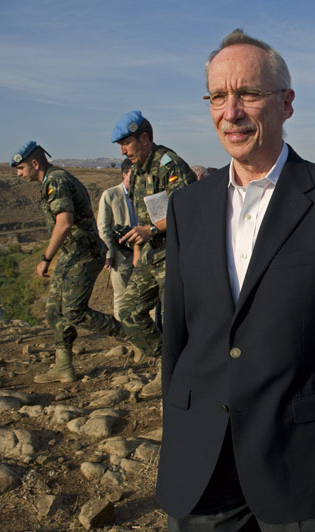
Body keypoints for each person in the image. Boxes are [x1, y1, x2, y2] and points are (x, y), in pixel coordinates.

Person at [156, 29, 315, 532]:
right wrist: (178, 436)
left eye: (249, 93)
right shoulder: (187, 207)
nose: (231, 111)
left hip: (298, 468)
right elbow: (177, 338)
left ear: (286, 103)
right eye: (218, 95)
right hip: (202, 468)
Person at [11, 141, 122, 383]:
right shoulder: (51, 179)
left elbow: (64, 223)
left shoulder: (55, 180)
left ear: (34, 163)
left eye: (20, 168)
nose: (18, 173)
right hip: (72, 252)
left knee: (74, 311)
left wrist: (45, 258)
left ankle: (129, 333)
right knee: (54, 310)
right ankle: (64, 365)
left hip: (84, 253)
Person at [110, 110, 196, 397]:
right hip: (149, 257)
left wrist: (152, 229)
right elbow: (145, 215)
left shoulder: (168, 164)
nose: (123, 150)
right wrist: (137, 245)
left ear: (144, 138)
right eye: (120, 145)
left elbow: (187, 210)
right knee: (128, 312)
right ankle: (170, 363)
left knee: (175, 322)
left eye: (127, 143)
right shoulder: (137, 172)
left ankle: (175, 375)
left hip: (175, 258)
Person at [97, 158, 137, 320]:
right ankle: (123, 329)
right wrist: (108, 252)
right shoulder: (110, 194)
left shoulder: (142, 192)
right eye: (132, 175)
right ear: (124, 174)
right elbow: (103, 226)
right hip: (120, 252)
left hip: (141, 249)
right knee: (121, 293)